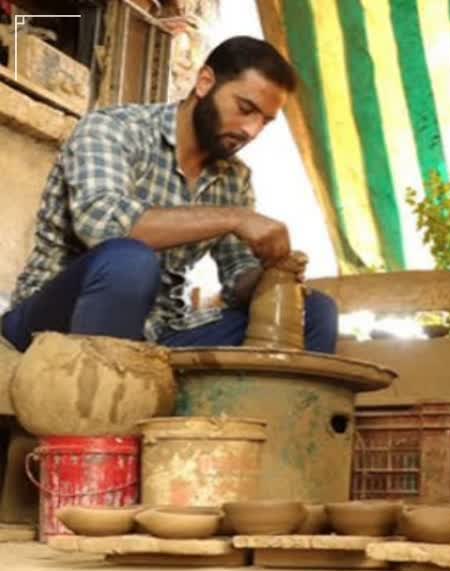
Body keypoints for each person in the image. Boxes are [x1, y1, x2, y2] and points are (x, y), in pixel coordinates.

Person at [1, 36, 338, 354]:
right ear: (205, 83)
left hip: (160, 334)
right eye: (245, 108)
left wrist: (273, 271)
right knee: (129, 260)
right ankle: (90, 408)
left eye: (264, 121)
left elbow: (238, 281)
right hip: (53, 321)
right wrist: (235, 219)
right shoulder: (113, 129)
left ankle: (272, 415)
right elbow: (101, 226)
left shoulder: (233, 178)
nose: (251, 130)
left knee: (314, 311)